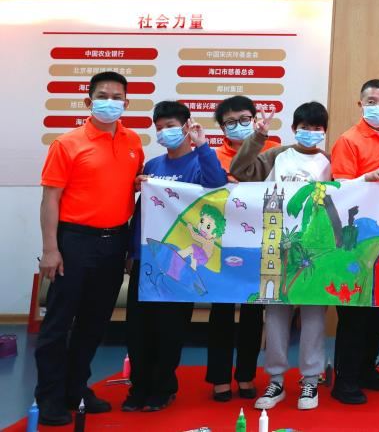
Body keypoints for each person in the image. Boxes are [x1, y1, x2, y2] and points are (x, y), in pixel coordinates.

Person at [36, 71, 143, 426]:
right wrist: (50, 249)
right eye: (102, 96)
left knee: (94, 322)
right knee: (58, 322)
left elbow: (129, 187)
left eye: (117, 97)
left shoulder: (133, 142)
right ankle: (50, 397)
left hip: (115, 241)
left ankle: (76, 388)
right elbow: (50, 199)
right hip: (74, 241)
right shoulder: (67, 144)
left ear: (126, 103)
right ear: (88, 101)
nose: (110, 102)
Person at [124, 101, 228, 412]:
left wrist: (203, 146)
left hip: (180, 263)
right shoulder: (153, 165)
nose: (164, 133)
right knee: (138, 329)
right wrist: (131, 251)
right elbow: (142, 211)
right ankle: (138, 388)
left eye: (170, 126)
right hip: (147, 258)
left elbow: (217, 185)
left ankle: (163, 388)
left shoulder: (199, 162)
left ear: (185, 126)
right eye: (159, 128)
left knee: (169, 329)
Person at [231, 102, 333, 411]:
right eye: (304, 127)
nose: (310, 132)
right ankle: (275, 380)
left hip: (314, 251)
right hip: (277, 246)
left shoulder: (328, 161)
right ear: (293, 128)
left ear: (324, 132)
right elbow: (240, 171)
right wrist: (258, 136)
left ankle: (310, 379)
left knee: (314, 316)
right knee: (275, 315)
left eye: (317, 128)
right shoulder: (278, 155)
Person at [329, 80, 379, 405]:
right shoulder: (348, 141)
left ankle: (366, 369)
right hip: (356, 238)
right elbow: (340, 191)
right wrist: (366, 179)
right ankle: (345, 379)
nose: (378, 106)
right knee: (354, 311)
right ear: (360, 105)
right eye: (371, 101)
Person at [207, 96, 271, 402]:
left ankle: (246, 375)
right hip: (221, 246)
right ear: (221, 128)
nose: (238, 126)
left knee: (253, 313)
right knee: (220, 313)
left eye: (244, 119)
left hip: (259, 245)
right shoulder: (211, 156)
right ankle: (219, 379)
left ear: (255, 119)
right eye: (230, 122)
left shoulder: (272, 152)